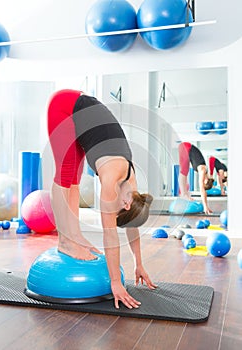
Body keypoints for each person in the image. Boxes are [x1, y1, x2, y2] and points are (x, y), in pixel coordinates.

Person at [47, 89, 157, 309]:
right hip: (65, 106)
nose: (112, 211)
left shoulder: (131, 187)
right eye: (118, 212)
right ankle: (64, 241)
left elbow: (131, 224)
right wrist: (115, 282)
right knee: (65, 173)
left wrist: (139, 263)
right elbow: (110, 237)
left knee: (75, 179)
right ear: (125, 203)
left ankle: (74, 235)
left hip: (81, 112)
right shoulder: (112, 180)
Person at [178, 142, 214, 214]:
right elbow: (202, 190)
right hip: (186, 147)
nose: (202, 181)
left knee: (185, 171)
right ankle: (184, 194)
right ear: (206, 181)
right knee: (184, 171)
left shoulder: (204, 171)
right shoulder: (203, 171)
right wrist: (205, 206)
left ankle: (184, 194)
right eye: (204, 183)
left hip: (186, 147)